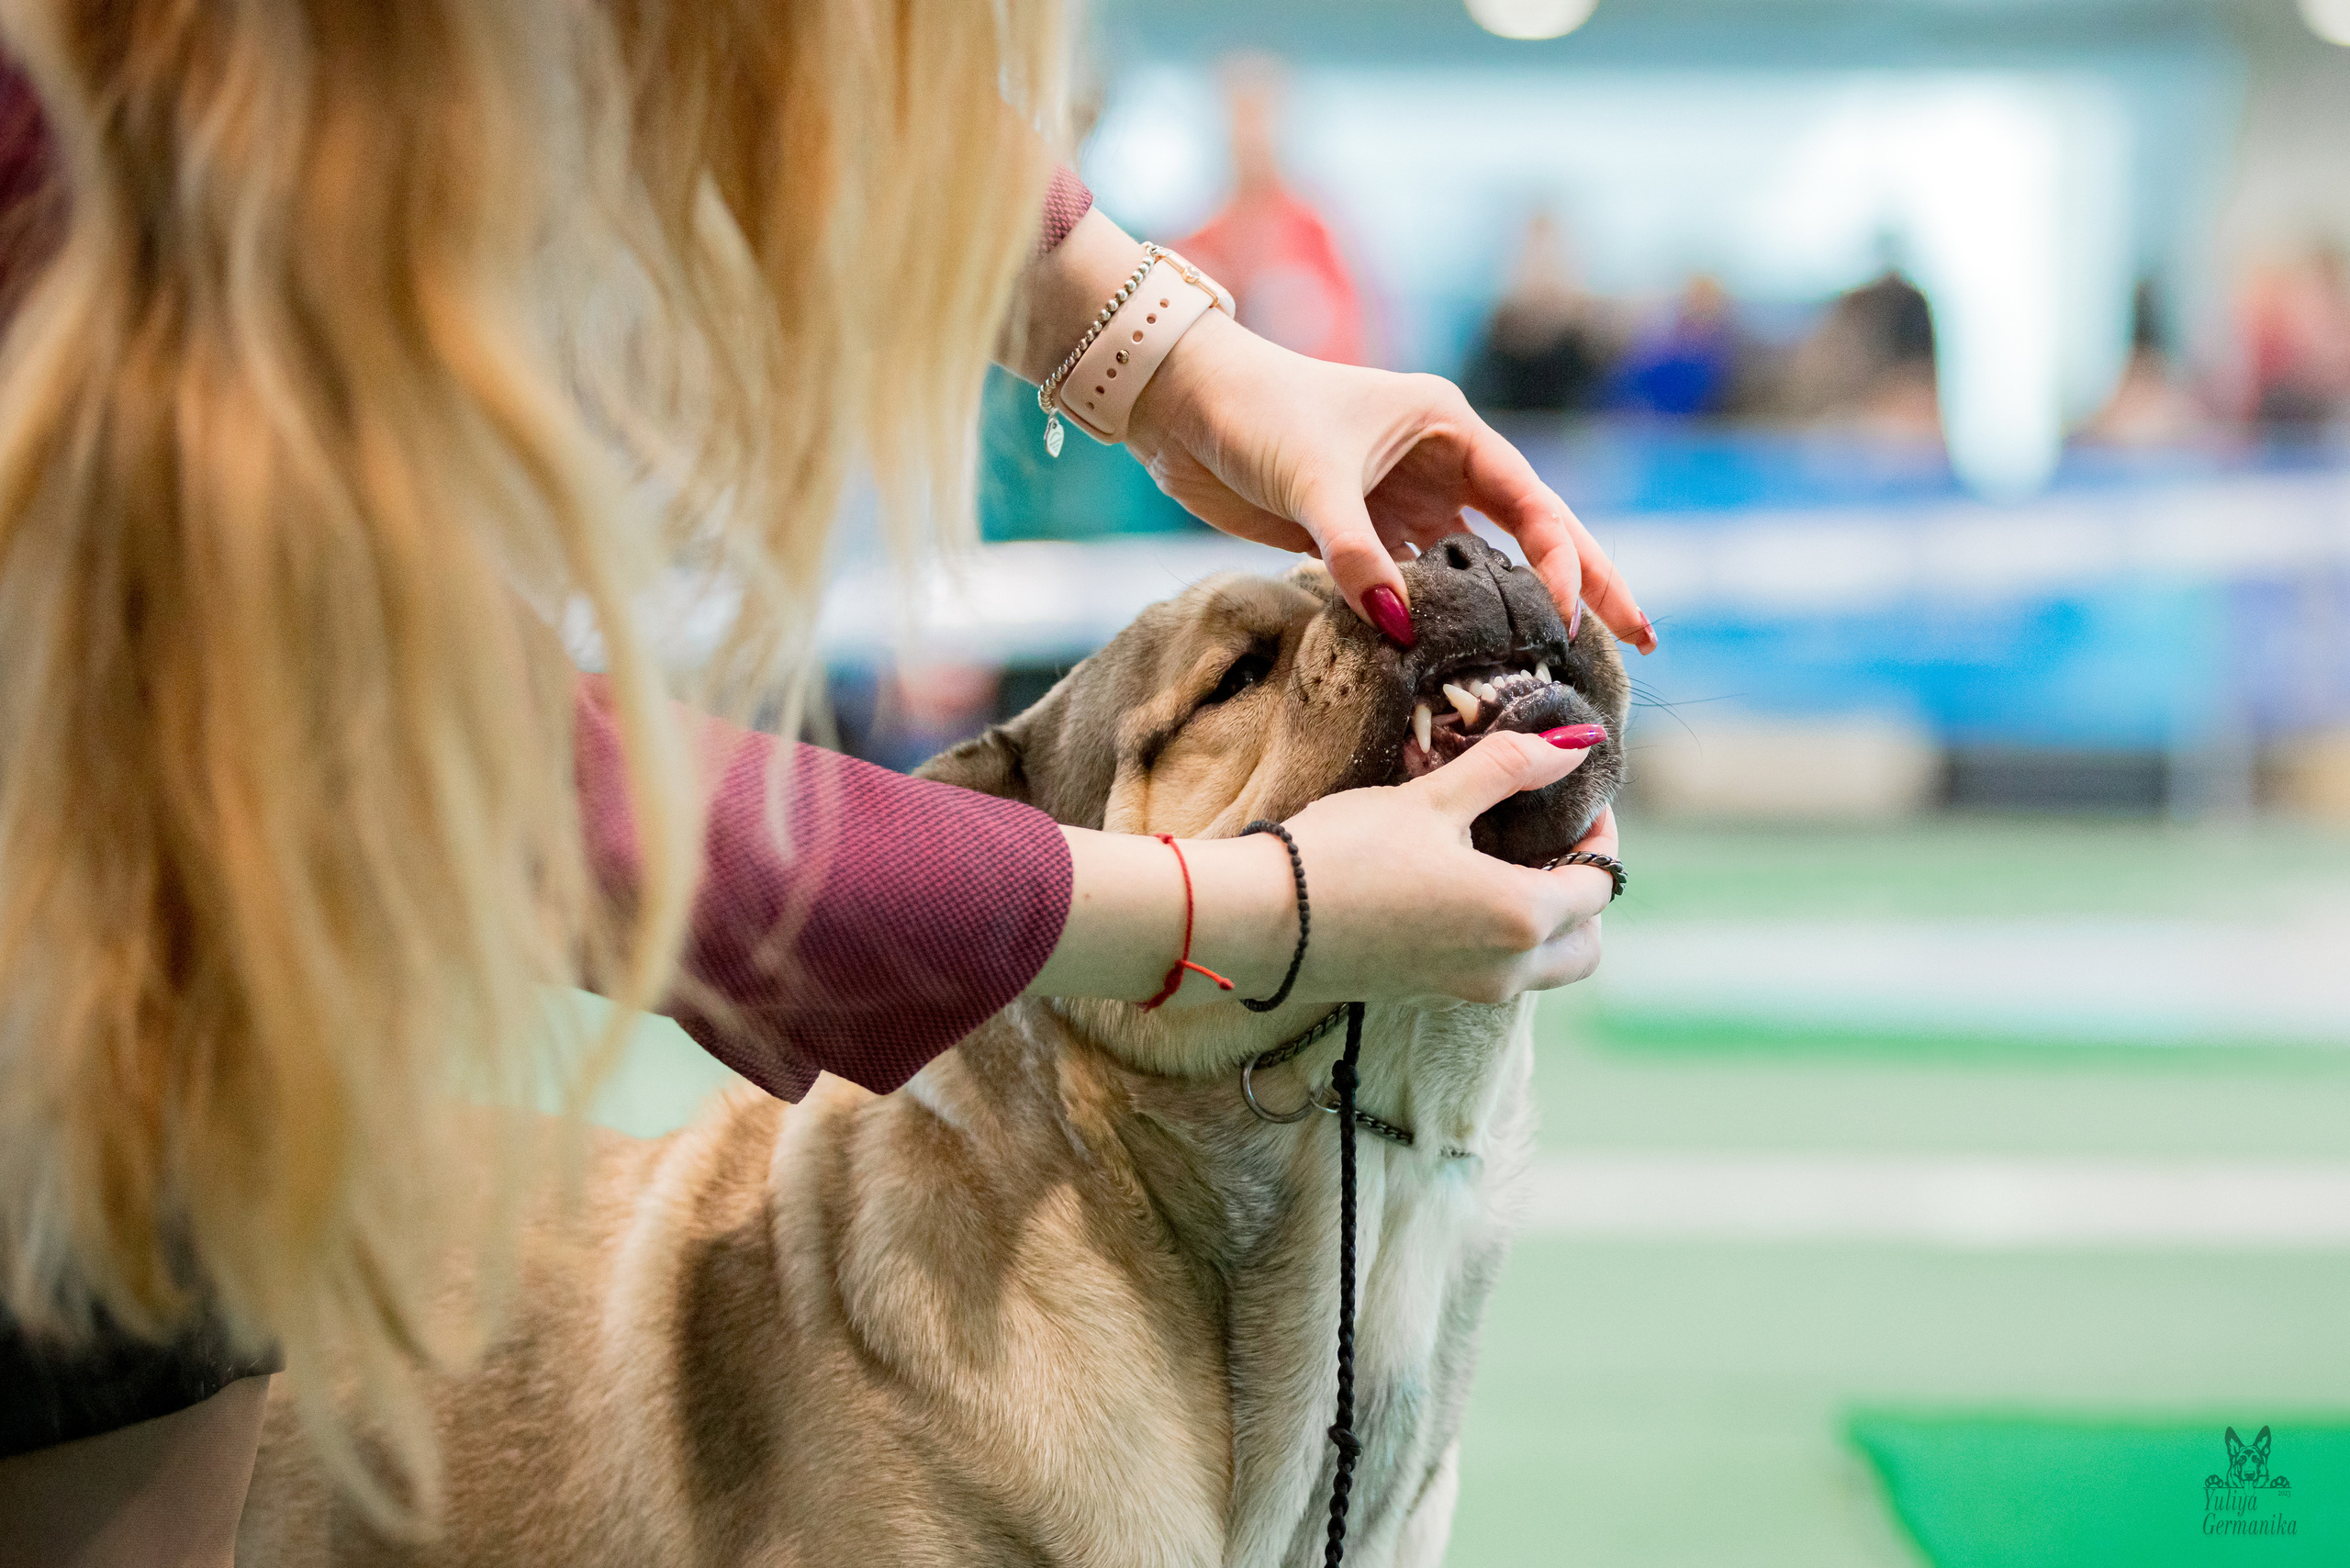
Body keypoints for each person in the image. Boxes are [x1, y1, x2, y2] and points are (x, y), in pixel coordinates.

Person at [0, 6, 1652, 1563]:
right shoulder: (106, 174)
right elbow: (511, 778)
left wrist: (1187, 364)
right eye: (1232, 686)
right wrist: (1256, 907)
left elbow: (776, 63)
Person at [1460, 209, 1614, 416]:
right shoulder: (1491, 345)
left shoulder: (1591, 350)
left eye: (1553, 260)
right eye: (1535, 259)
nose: (1544, 273)